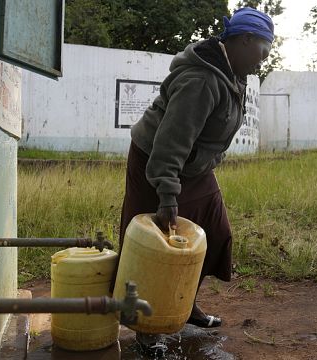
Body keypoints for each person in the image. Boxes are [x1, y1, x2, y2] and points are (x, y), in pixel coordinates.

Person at [117, 6, 273, 350]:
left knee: (216, 233)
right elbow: (170, 142)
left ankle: (184, 304)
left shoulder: (233, 73)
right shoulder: (202, 80)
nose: (263, 60)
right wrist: (167, 194)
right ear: (245, 40)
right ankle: (148, 326)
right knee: (154, 245)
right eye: (263, 50)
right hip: (157, 162)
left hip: (195, 166)